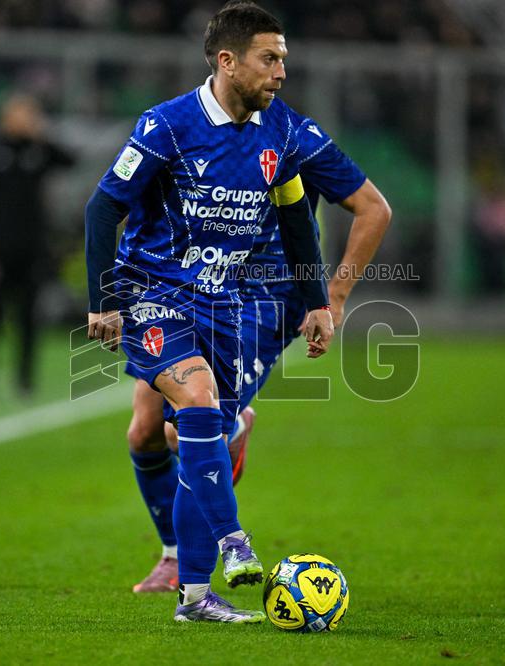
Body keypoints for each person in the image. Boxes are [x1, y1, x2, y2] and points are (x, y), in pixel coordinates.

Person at [85, 1, 334, 623]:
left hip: (224, 302)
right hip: (153, 295)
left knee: (199, 432)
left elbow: (297, 222)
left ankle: (194, 597)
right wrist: (104, 302)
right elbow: (102, 207)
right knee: (194, 402)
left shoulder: (279, 133)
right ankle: (233, 539)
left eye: (283, 59)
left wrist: (316, 303)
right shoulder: (167, 126)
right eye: (268, 58)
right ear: (228, 61)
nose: (281, 71)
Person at [126, 110, 391, 594]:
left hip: (265, 298)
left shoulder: (297, 138)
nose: (277, 76)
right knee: (144, 430)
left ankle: (188, 564)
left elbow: (374, 209)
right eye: (269, 68)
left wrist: (333, 297)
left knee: (180, 429)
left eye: (279, 70)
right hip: (192, 289)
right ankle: (172, 552)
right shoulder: (190, 127)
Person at [0, 93, 76, 398]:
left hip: (32, 248)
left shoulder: (38, 150)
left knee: (29, 315)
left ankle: (24, 379)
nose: (26, 120)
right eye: (21, 114)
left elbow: (70, 160)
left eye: (30, 114)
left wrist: (43, 136)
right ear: (6, 117)